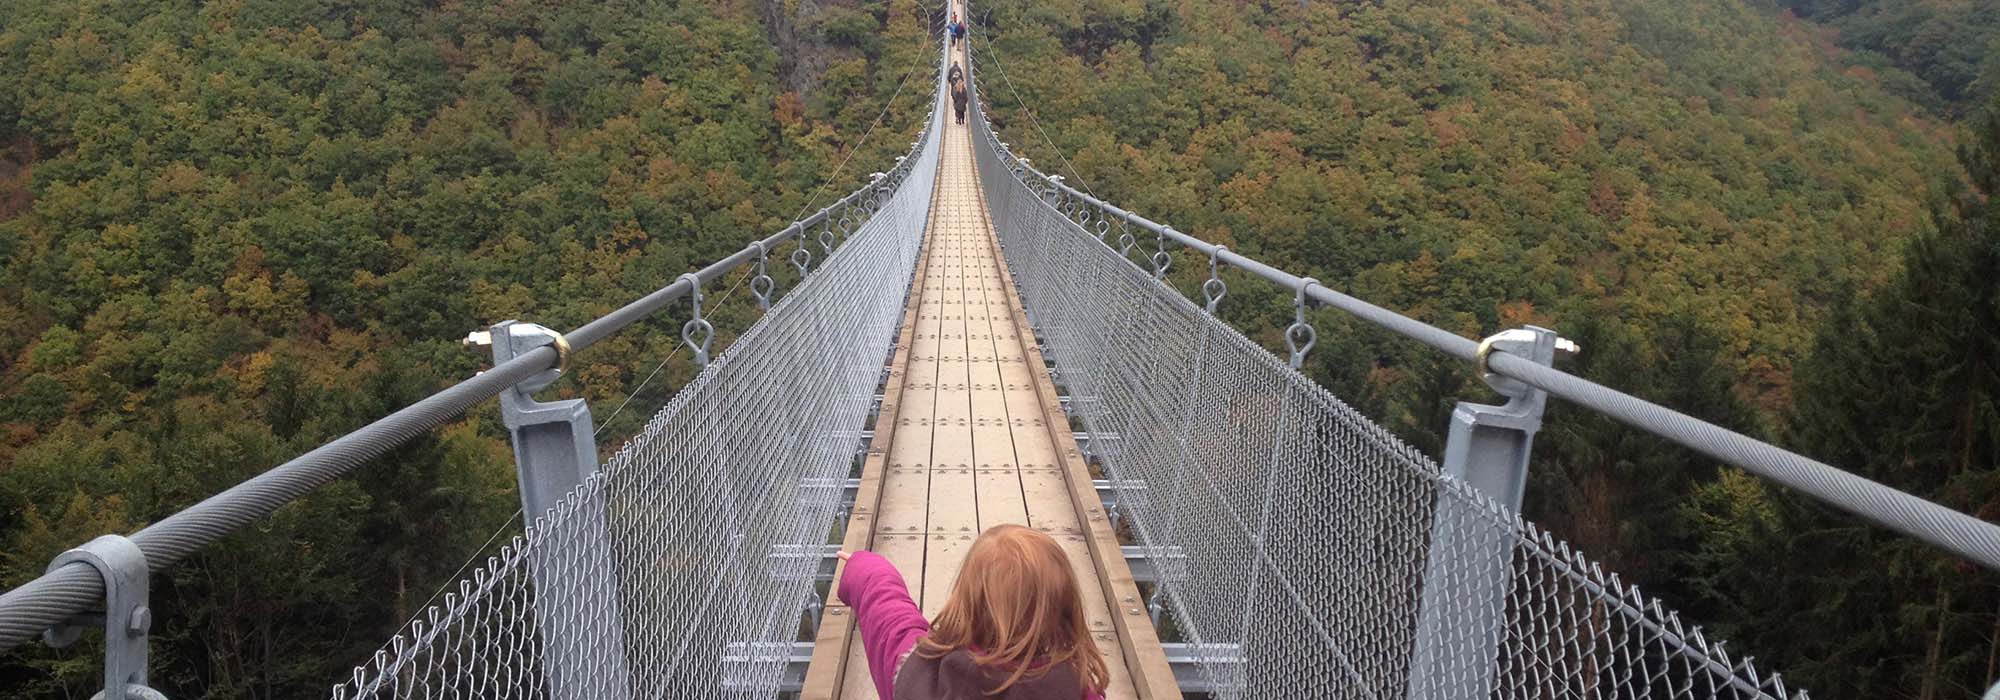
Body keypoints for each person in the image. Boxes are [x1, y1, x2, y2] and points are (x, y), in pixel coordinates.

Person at [838, 524, 1110, 699]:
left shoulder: (922, 678)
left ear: (964, 604)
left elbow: (889, 617)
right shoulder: (1075, 688)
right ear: (1063, 612)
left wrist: (867, 569)